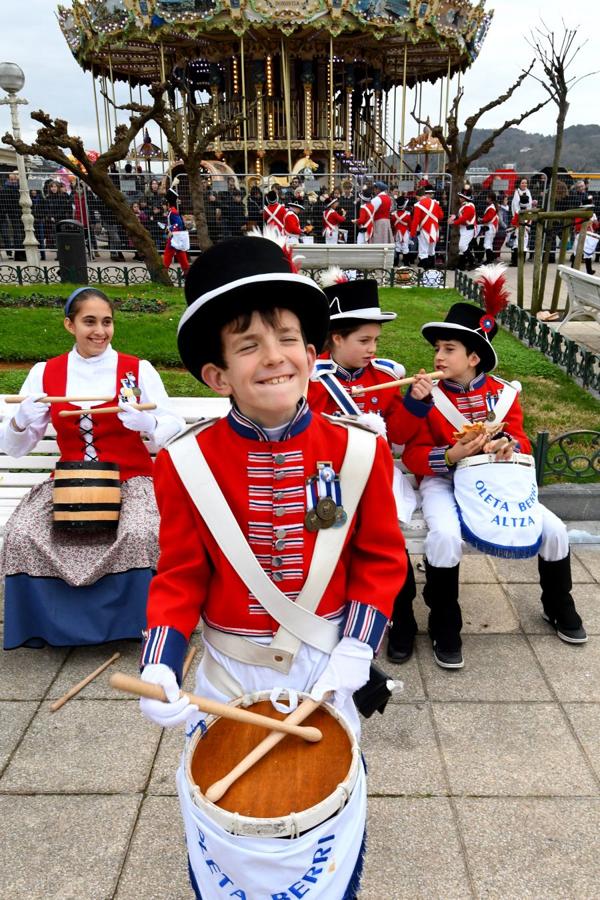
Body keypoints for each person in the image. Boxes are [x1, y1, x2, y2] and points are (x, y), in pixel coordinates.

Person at [137, 234, 407, 898]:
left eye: (287, 337)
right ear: (217, 375)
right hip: (230, 672)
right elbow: (180, 574)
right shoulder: (183, 462)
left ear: (313, 355)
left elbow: (380, 557)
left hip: (327, 665)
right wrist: (160, 664)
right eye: (248, 344)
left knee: (322, 811)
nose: (274, 356)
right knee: (231, 818)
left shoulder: (361, 450)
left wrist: (357, 648)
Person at [400, 266, 587, 669]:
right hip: (443, 481)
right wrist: (450, 456)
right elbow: (412, 455)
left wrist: (508, 444)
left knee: (555, 529)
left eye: (448, 349)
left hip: (494, 479)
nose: (437, 356)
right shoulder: (429, 397)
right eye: (437, 348)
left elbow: (521, 440)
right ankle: (444, 621)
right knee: (444, 536)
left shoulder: (503, 395)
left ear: (473, 357)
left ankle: (558, 604)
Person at [0, 286, 185, 650]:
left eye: (107, 322)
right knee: (21, 533)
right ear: (70, 325)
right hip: (71, 482)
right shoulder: (45, 373)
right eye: (89, 322)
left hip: (130, 478)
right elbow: (15, 448)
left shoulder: (137, 370)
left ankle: (138, 623)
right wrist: (21, 420)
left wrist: (149, 425)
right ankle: (46, 624)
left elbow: (174, 426)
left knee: (140, 533)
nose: (100, 331)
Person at [307, 270, 434, 663]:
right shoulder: (312, 381)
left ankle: (402, 617)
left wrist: (415, 403)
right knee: (331, 543)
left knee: (388, 545)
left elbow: (399, 436)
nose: (372, 348)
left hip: (377, 477)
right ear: (336, 338)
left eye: (376, 340)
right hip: (330, 480)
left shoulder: (385, 377)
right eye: (364, 341)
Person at [409, 185, 444, 270]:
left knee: (423, 252)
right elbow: (441, 216)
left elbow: (416, 220)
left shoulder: (418, 205)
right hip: (435, 230)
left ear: (418, 196)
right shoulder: (435, 203)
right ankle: (432, 270)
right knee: (431, 251)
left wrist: (412, 233)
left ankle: (427, 271)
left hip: (425, 230)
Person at [163, 180, 190, 275]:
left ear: (168, 203)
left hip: (174, 236)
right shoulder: (172, 211)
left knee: (167, 255)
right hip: (176, 236)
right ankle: (187, 272)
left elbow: (178, 223)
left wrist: (170, 230)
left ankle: (163, 273)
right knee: (181, 255)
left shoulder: (173, 211)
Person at [450, 188, 477, 270]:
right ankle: (461, 265)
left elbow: (464, 218)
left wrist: (453, 222)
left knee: (462, 246)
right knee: (462, 248)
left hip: (468, 229)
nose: (459, 198)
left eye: (461, 197)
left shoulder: (469, 206)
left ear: (464, 198)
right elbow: (462, 217)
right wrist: (455, 217)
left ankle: (472, 261)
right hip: (464, 228)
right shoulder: (466, 206)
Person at [478, 191, 499, 264]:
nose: (486, 199)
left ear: (490, 199)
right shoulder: (493, 207)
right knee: (489, 244)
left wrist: (481, 220)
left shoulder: (491, 208)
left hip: (490, 227)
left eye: (487, 197)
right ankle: (490, 259)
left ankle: (489, 260)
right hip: (491, 227)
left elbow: (488, 218)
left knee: (487, 244)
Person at [391, 197, 411, 266]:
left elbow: (392, 224)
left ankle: (395, 263)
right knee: (405, 247)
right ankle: (406, 264)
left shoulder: (393, 214)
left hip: (396, 232)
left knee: (397, 247)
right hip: (405, 232)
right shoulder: (408, 214)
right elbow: (410, 224)